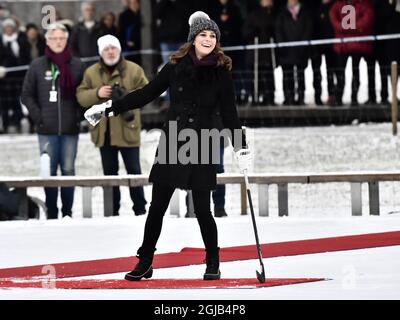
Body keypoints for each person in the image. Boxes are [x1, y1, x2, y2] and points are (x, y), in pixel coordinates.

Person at [84, 11, 252, 281]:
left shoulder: (222, 71)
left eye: (212, 36)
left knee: (202, 208)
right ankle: (145, 260)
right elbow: (146, 94)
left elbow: (230, 113)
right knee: (157, 206)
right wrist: (109, 108)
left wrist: (240, 148)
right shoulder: (175, 66)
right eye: (203, 35)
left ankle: (212, 260)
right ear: (193, 38)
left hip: (204, 141)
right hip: (175, 139)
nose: (208, 39)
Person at [76, 35, 148, 216]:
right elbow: (81, 96)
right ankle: (111, 211)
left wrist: (126, 97)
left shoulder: (134, 69)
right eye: (106, 49)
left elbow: (148, 93)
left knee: (134, 173)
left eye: (113, 48)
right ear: (101, 52)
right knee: (109, 174)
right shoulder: (91, 72)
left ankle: (140, 210)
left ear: (119, 49)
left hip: (127, 129)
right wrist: (97, 93)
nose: (110, 52)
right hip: (104, 132)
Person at [21, 23, 85, 219]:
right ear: (47, 41)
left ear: (66, 41)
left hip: (69, 129)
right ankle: (51, 212)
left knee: (67, 170)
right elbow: (26, 95)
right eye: (53, 38)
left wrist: (77, 116)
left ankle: (67, 212)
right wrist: (38, 118)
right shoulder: (37, 65)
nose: (58, 42)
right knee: (48, 171)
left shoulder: (77, 65)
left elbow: (84, 96)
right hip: (45, 130)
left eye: (61, 38)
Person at [329, 0, 375, 106]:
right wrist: (344, 27)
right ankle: (339, 97)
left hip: (357, 45)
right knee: (340, 72)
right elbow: (333, 17)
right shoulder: (338, 4)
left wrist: (351, 26)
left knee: (355, 71)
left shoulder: (363, 4)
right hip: (342, 46)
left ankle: (354, 98)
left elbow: (367, 19)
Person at [275, 0, 313, 106]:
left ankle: (301, 97)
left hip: (301, 50)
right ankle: (289, 97)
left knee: (301, 75)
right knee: (287, 76)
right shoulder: (282, 13)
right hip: (286, 51)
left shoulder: (305, 13)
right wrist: (283, 46)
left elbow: (308, 29)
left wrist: (302, 45)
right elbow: (278, 30)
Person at [242, 0, 278, 106]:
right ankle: (254, 97)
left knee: (268, 75)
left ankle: (269, 97)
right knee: (255, 76)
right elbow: (245, 32)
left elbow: (279, 29)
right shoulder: (253, 15)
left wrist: (273, 32)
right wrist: (253, 32)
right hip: (255, 52)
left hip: (268, 51)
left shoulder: (275, 13)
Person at [0, 18, 31, 133]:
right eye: (7, 27)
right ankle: (5, 124)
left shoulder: (21, 40)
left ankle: (17, 122)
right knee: (4, 102)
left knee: (17, 101)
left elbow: (25, 56)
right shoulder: (1, 40)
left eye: (11, 27)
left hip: (18, 75)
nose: (9, 29)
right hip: (3, 78)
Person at [118, 0, 142, 65]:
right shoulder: (124, 15)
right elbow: (121, 33)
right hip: (129, 48)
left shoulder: (143, 14)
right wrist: (126, 43)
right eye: (132, 3)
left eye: (135, 3)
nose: (134, 5)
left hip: (141, 47)